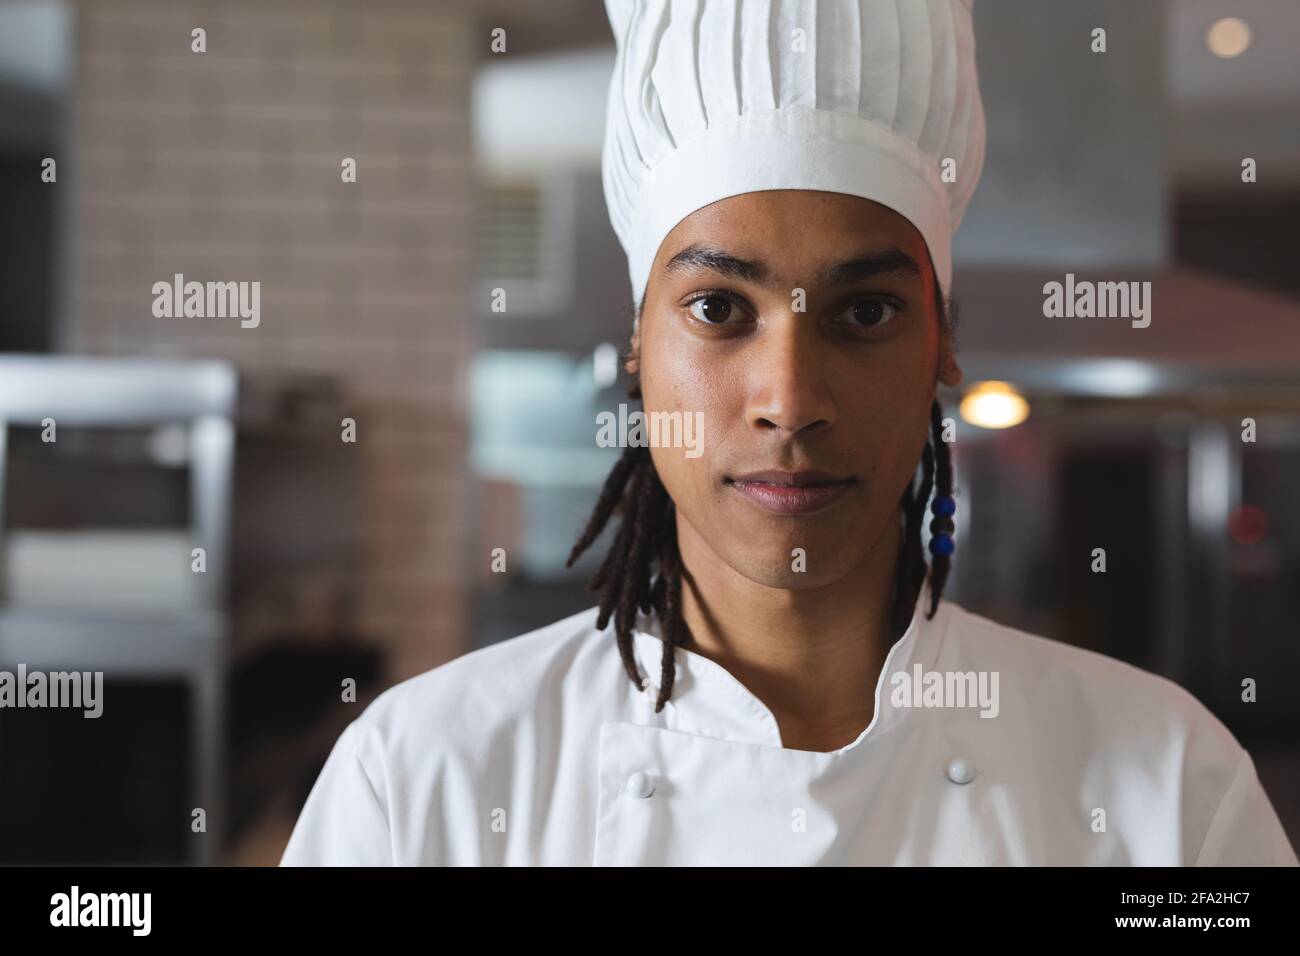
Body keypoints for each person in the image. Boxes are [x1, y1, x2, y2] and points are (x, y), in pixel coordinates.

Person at [280, 0, 1297, 866]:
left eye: (863, 314)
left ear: (942, 348)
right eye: (719, 308)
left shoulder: (1170, 793)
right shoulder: (419, 783)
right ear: (637, 344)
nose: (789, 397)